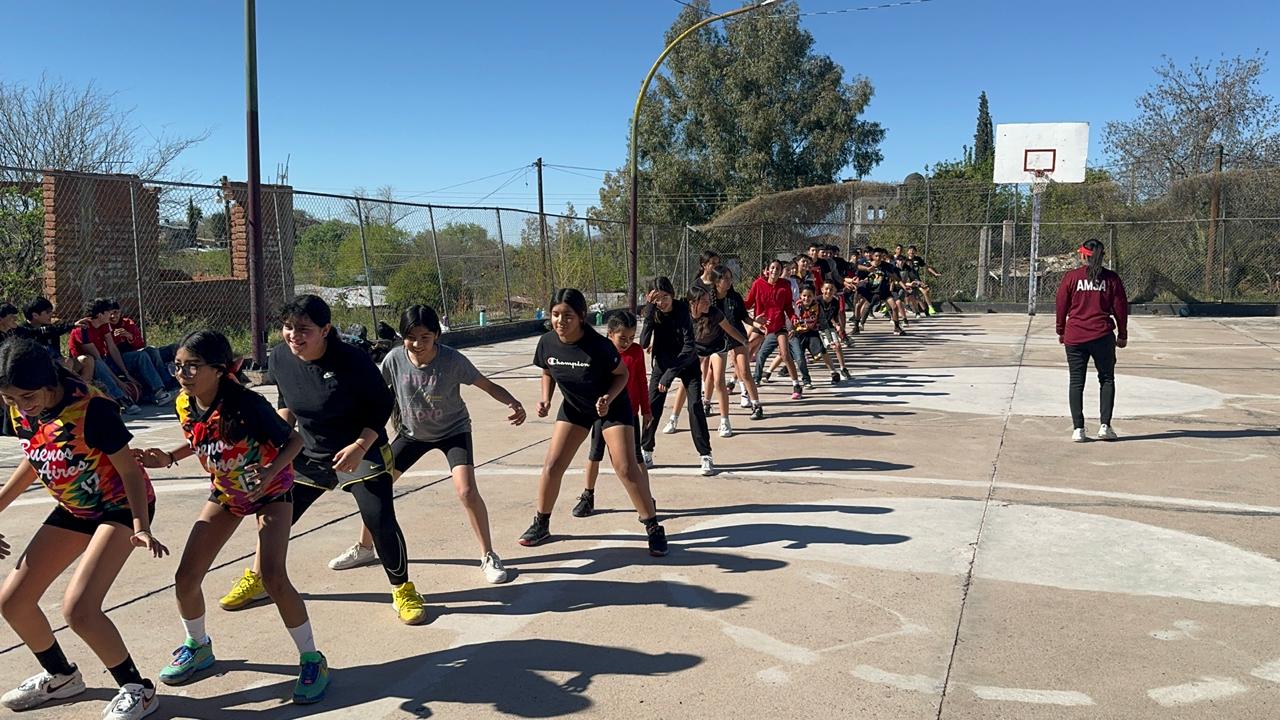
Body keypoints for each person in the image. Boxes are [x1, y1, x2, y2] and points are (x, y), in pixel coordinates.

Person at [133, 330, 329, 704]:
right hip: (226, 492)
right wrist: (169, 457)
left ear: (219, 370)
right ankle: (199, 645)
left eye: (192, 366)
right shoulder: (184, 404)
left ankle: (312, 658)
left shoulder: (247, 404)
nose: (182, 373)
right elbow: (203, 440)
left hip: (271, 492)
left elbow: (295, 441)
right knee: (186, 577)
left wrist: (270, 473)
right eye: (177, 366)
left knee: (272, 576)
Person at [218, 295, 430, 626]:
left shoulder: (353, 360)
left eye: (304, 329)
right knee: (275, 518)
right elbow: (286, 401)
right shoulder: (281, 358)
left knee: (378, 518)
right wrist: (277, 444)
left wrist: (360, 445)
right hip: (310, 451)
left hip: (362, 447)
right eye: (288, 327)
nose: (293, 336)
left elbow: (381, 405)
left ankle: (402, 588)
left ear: (325, 330)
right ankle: (260, 578)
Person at [0, 338, 167, 719]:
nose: (19, 406)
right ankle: (61, 675)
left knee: (79, 608)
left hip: (120, 505)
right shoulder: (24, 407)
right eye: (9, 399)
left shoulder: (93, 410)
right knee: (13, 601)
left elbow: (129, 472)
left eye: (26, 397)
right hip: (75, 507)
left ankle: (138, 689)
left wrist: (140, 525)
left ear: (48, 382)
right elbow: (36, 455)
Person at [328, 304, 525, 586]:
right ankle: (365, 548)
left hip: (453, 431)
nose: (418, 343)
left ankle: (488, 555)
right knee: (376, 488)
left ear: (436, 335)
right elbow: (373, 395)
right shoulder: (394, 359)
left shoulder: (452, 360)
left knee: (466, 490)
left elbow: (486, 384)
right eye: (411, 337)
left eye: (425, 337)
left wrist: (512, 402)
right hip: (411, 435)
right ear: (402, 336)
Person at [521, 288, 667, 556]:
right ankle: (541, 523)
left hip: (612, 407)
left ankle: (653, 528)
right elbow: (547, 369)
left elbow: (621, 375)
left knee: (625, 467)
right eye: (555, 315)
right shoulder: (547, 342)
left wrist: (608, 398)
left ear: (582, 317)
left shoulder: (599, 346)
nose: (560, 321)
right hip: (576, 408)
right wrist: (546, 399)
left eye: (568, 316)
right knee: (552, 465)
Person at [572, 311, 651, 518]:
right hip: (601, 413)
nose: (626, 342)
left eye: (631, 338)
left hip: (628, 414)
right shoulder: (600, 352)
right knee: (595, 454)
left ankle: (645, 496)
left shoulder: (636, 353)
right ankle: (588, 495)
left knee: (635, 458)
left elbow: (642, 381)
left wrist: (647, 410)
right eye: (622, 338)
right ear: (610, 334)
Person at [639, 277, 715, 475]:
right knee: (651, 406)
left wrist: (670, 375)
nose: (662, 302)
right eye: (657, 299)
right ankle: (646, 449)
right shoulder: (653, 312)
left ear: (672, 294)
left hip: (686, 362)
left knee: (695, 406)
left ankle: (705, 454)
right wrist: (649, 310)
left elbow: (689, 346)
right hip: (663, 364)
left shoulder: (682, 310)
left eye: (665, 297)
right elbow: (644, 341)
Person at [1055, 239, 1129, 442]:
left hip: (1075, 335)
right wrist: (1122, 334)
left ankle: (1078, 428)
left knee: (1076, 381)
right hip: (1102, 336)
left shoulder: (1071, 277)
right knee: (1106, 379)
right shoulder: (1111, 279)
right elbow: (1120, 307)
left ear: (1083, 256)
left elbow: (1061, 304)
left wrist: (1061, 330)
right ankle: (1105, 425)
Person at [685, 282, 748, 438]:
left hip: (718, 347)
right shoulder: (685, 314)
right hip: (698, 347)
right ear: (694, 303)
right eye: (704, 301)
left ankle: (725, 421)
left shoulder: (714, 312)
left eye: (708, 300)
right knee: (685, 378)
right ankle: (674, 417)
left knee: (719, 380)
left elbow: (730, 329)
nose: (708, 303)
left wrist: (743, 341)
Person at [66, 299, 144, 413]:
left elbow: (113, 349)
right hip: (87, 365)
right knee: (97, 363)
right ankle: (120, 398)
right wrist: (119, 383)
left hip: (103, 361)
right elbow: (97, 358)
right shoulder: (82, 329)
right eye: (108, 312)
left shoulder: (104, 324)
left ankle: (149, 392)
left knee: (136, 359)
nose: (111, 315)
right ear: (100, 315)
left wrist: (126, 373)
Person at [746, 259, 801, 399]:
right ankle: (736, 382)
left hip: (778, 324)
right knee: (747, 350)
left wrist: (793, 317)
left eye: (778, 268)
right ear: (768, 270)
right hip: (762, 323)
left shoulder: (785, 286)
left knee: (785, 354)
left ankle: (796, 385)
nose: (775, 270)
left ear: (781, 271)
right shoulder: (758, 284)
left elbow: (788, 306)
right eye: (772, 267)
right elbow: (748, 302)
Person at [714, 265, 764, 420]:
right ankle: (707, 402)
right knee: (713, 375)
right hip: (716, 339)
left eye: (730, 278)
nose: (729, 281)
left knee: (744, 371)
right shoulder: (709, 298)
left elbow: (745, 317)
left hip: (737, 336)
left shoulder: (734, 297)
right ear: (717, 281)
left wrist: (756, 323)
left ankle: (756, 405)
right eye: (726, 278)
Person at [107, 301, 176, 394]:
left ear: (120, 312)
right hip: (119, 359)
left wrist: (129, 336)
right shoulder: (106, 326)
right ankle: (159, 390)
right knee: (141, 355)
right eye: (110, 313)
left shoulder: (127, 323)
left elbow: (140, 344)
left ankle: (167, 382)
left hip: (132, 352)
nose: (113, 316)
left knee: (153, 350)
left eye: (115, 312)